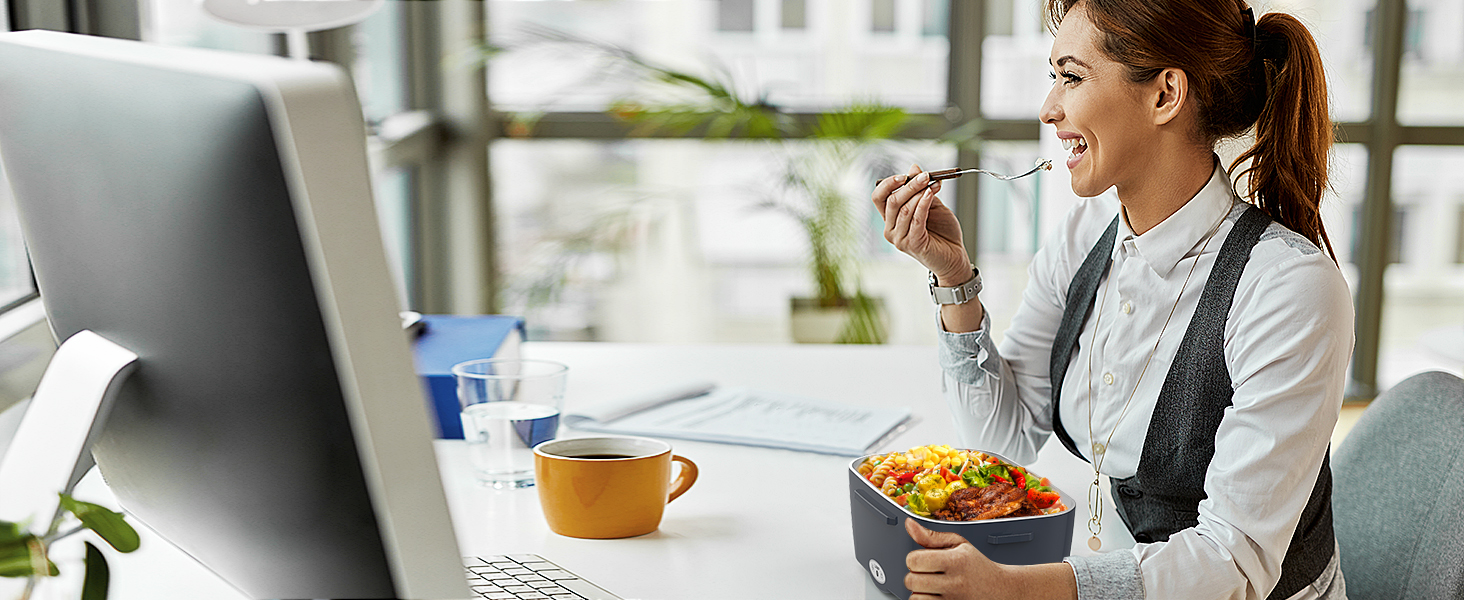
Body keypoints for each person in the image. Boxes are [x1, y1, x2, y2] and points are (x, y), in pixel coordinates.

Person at [869, 0, 1352, 599]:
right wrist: (954, 281)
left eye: (1071, 77)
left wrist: (1017, 589)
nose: (1049, 108)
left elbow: (1234, 561)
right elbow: (1003, 441)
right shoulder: (1081, 240)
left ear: (1165, 94)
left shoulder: (1287, 290)